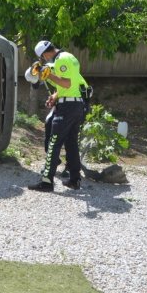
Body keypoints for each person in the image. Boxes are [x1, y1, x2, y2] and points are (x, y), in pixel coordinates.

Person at [27, 40, 89, 192]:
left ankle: (47, 182)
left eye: (44, 58)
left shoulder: (62, 59)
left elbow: (66, 83)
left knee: (54, 142)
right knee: (71, 143)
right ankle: (75, 180)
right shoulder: (69, 58)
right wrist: (55, 96)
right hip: (76, 105)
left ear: (46, 53)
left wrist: (50, 76)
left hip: (67, 108)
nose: (45, 60)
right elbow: (71, 85)